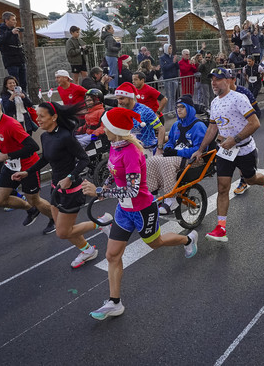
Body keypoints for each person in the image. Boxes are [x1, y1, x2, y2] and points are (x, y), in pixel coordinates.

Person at [81, 107, 198, 320]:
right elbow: (113, 173)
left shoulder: (131, 152)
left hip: (143, 209)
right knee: (112, 255)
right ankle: (114, 302)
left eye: (105, 125)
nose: (102, 128)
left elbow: (133, 190)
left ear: (114, 129)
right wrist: (105, 186)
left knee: (156, 243)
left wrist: (101, 191)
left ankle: (188, 239)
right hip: (124, 210)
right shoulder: (115, 146)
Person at [14, 101, 113, 268]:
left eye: (42, 116)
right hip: (55, 189)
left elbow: (84, 159)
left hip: (72, 190)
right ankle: (88, 250)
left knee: (62, 232)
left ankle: (103, 222)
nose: (38, 119)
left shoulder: (66, 137)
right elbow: (45, 158)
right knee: (66, 228)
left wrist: (70, 177)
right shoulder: (45, 136)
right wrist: (27, 172)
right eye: (37, 116)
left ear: (54, 117)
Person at [190, 67, 264, 242]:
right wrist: (200, 149)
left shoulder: (239, 98)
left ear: (227, 81)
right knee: (222, 187)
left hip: (244, 148)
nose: (213, 82)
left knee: (250, 179)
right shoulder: (214, 102)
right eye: (212, 79)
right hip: (225, 150)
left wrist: (235, 139)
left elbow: (255, 123)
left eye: (218, 79)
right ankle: (221, 228)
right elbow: (212, 127)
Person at [0, 95, 55, 234]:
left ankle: (55, 219)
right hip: (11, 165)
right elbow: (0, 139)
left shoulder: (11, 125)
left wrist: (6, 155)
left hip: (28, 166)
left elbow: (33, 147)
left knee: (34, 199)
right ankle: (31, 210)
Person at [146, 95, 207, 214]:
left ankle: (171, 199)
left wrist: (177, 152)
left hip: (194, 159)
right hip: (177, 157)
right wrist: (168, 148)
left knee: (167, 162)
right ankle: (152, 196)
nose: (179, 110)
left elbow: (200, 148)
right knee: (151, 161)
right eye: (177, 107)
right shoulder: (176, 125)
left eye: (182, 107)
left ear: (189, 108)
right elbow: (170, 142)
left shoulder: (199, 126)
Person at [114, 82, 165, 152]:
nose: (119, 102)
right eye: (117, 99)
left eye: (122, 98)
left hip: (148, 149)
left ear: (130, 97)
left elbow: (161, 129)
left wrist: (159, 148)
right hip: (132, 151)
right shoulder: (121, 112)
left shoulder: (145, 111)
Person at [0, 12, 27, 91]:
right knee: (15, 83)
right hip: (11, 61)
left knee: (24, 82)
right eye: (13, 20)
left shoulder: (14, 30)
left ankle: (24, 97)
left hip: (20, 60)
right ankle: (17, 98)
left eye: (15, 20)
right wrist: (11, 33)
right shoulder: (0, 30)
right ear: (6, 20)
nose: (15, 22)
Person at [160, 43, 180, 113]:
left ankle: (173, 110)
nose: (170, 50)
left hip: (174, 78)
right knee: (169, 96)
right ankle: (168, 111)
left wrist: (176, 62)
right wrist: (173, 63)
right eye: (169, 48)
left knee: (174, 95)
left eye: (171, 48)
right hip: (167, 79)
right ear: (165, 49)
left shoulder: (172, 57)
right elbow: (164, 68)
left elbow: (177, 67)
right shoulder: (162, 58)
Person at [101, 25, 121, 90]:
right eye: (112, 29)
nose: (113, 30)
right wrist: (118, 48)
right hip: (111, 55)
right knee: (113, 72)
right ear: (108, 30)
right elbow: (110, 47)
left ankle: (112, 86)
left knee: (112, 71)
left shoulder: (108, 37)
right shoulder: (109, 37)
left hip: (110, 56)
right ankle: (113, 87)